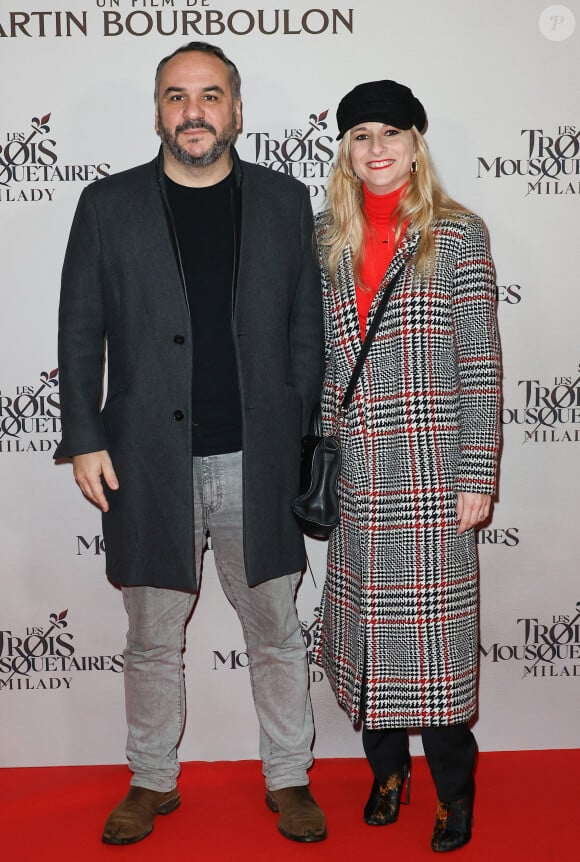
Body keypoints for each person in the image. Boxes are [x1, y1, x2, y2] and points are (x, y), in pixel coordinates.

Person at [56, 41, 326, 845]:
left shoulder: (283, 200)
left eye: (210, 96)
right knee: (150, 638)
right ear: (158, 112)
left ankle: (288, 777)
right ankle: (150, 777)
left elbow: (304, 331)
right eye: (177, 96)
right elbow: (79, 333)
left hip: (259, 456)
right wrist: (84, 438)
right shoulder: (108, 206)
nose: (194, 112)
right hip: (145, 462)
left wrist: (297, 432)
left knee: (275, 630)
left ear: (236, 111)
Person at [314, 80, 501, 852]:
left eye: (392, 132)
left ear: (417, 144)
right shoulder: (327, 236)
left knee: (437, 652)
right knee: (369, 645)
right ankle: (386, 775)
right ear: (346, 151)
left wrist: (477, 474)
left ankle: (454, 795)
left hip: (430, 475)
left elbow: (481, 361)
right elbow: (323, 359)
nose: (378, 147)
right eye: (361, 134)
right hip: (359, 472)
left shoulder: (458, 234)